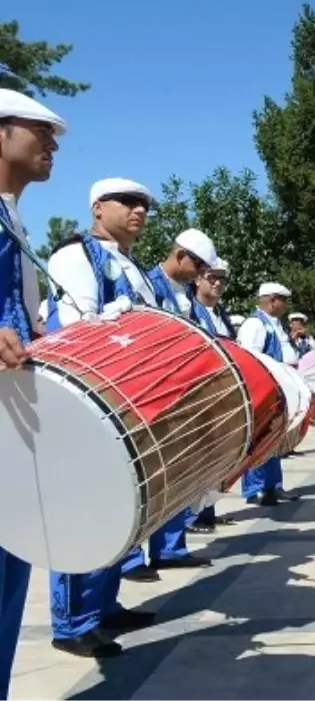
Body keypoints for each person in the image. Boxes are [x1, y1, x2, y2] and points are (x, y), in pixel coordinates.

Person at [46, 177, 162, 658]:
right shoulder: (76, 256)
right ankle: (72, 623)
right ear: (98, 207)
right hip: (89, 403)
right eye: (129, 202)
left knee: (116, 512)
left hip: (126, 404)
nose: (139, 210)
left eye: (144, 205)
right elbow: (78, 329)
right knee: (80, 512)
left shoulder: (128, 264)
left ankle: (105, 605)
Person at [0, 90, 65, 683]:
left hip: (12, 418)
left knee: (9, 573)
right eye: (39, 131)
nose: (52, 144)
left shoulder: (13, 218)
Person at [120, 228, 218, 575]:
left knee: (177, 475)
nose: (201, 273)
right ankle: (131, 558)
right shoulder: (146, 285)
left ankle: (170, 548)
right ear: (180, 256)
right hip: (150, 396)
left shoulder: (189, 297)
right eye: (198, 264)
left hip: (182, 396)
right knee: (144, 479)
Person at [186, 258, 236, 532]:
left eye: (221, 278)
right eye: (211, 277)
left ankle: (206, 512)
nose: (217, 283)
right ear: (197, 279)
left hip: (221, 394)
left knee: (214, 461)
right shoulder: (190, 310)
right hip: (200, 395)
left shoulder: (221, 313)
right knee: (197, 459)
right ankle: (191, 519)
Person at [237, 282, 299, 504]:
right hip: (265, 390)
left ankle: (273, 485)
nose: (284, 305)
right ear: (272, 300)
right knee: (259, 440)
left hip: (280, 390)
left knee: (274, 440)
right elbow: (250, 358)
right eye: (283, 300)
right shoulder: (255, 324)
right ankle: (255, 489)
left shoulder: (276, 324)